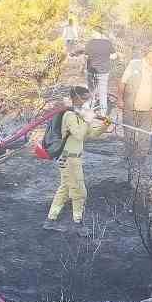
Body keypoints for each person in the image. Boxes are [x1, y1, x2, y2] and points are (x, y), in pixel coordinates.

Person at [43, 86, 111, 233]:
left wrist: (105, 124)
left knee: (65, 189)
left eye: (88, 98)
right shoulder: (70, 116)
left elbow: (90, 134)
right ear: (76, 98)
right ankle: (78, 224)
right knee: (80, 192)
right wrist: (87, 120)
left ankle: (50, 219)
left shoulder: (80, 115)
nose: (88, 101)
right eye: (85, 98)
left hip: (75, 159)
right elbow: (79, 134)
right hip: (69, 159)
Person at [82, 27, 117, 117]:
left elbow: (85, 56)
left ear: (95, 32)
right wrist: (106, 58)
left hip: (92, 71)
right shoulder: (107, 43)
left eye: (92, 32)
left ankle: (90, 111)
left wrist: (83, 67)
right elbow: (114, 56)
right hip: (104, 71)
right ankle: (103, 114)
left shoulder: (90, 43)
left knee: (91, 92)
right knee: (103, 93)